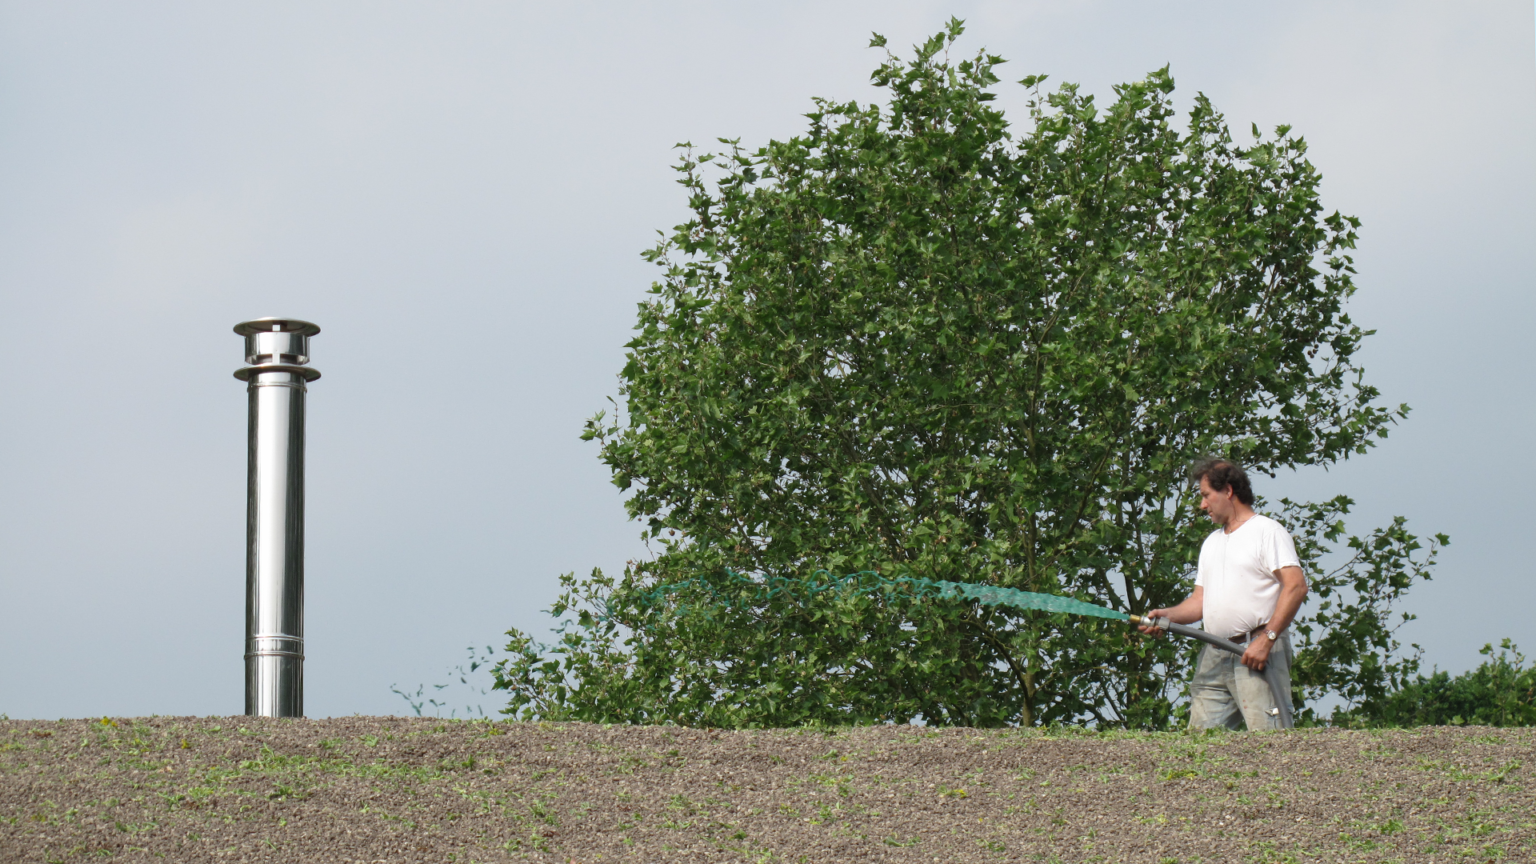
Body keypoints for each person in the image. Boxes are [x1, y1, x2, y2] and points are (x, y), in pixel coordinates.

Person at [1139, 458, 1308, 730]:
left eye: (1206, 495)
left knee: (1270, 745)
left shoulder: (1266, 532)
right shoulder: (1212, 543)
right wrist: (1166, 616)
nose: (1202, 505)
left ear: (1228, 491)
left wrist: (1267, 640)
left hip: (1256, 651)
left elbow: (1296, 586)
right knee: (1199, 747)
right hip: (1214, 654)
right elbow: (1198, 603)